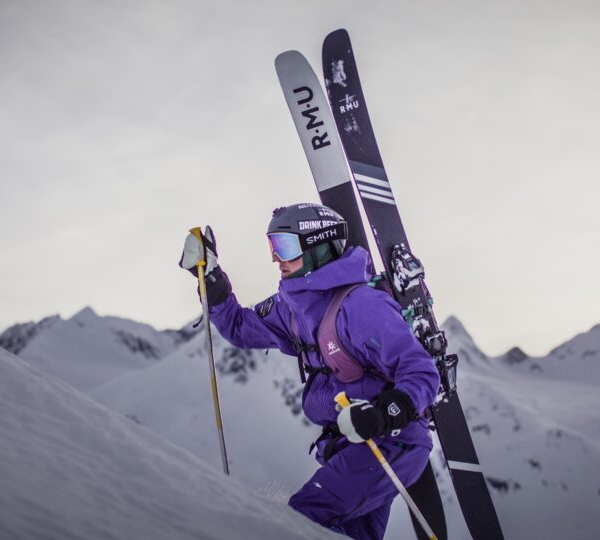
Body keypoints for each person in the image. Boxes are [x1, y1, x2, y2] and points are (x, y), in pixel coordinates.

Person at [180, 203, 439, 540]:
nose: (276, 259)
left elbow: (421, 371)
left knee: (302, 522)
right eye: (273, 247)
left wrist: (383, 414)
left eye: (285, 247)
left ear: (318, 247)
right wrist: (212, 280)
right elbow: (241, 327)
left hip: (389, 443)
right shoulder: (292, 307)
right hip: (350, 445)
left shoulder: (362, 307)